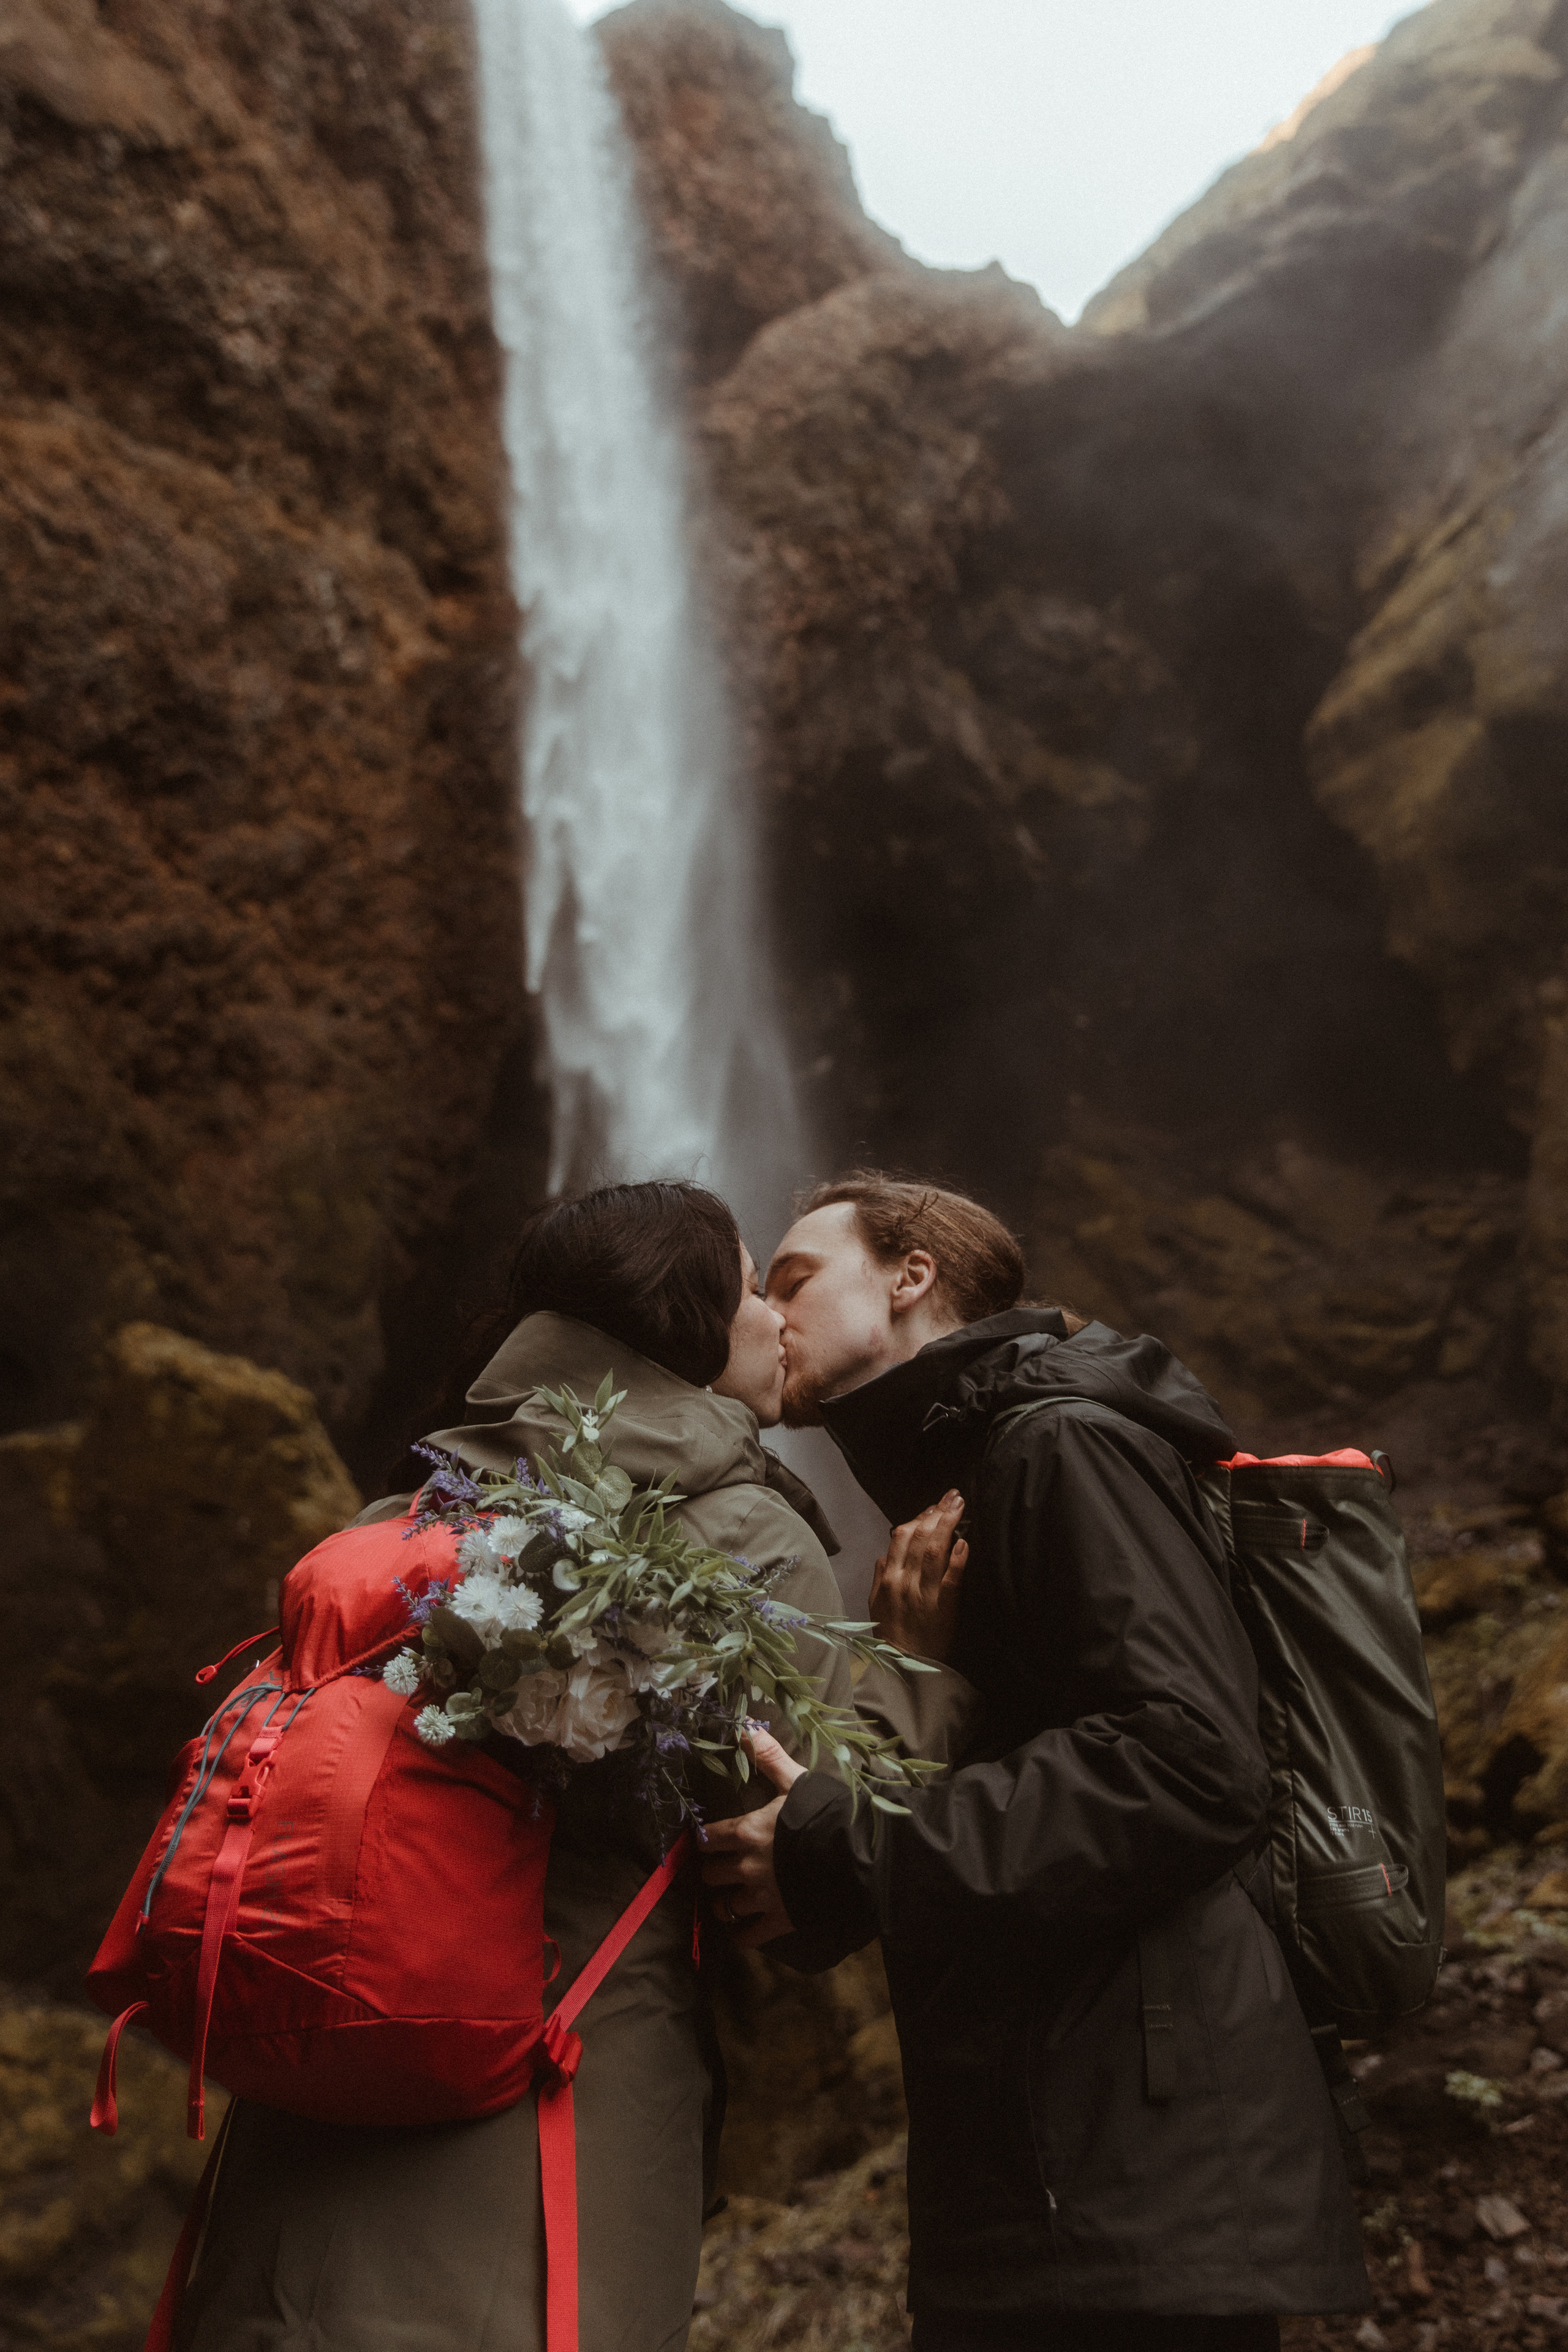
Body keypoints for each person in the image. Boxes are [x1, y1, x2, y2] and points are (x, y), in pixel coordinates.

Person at [175, 1180, 973, 2352]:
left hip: (302, 2138)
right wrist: (914, 1666)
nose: (778, 1321)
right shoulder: (743, 1533)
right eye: (755, 1288)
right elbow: (823, 1871)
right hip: (546, 2119)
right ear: (686, 1329)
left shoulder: (409, 1509)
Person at [701, 1171, 1370, 2352]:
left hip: (1134, 2163)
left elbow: (1192, 1763)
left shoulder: (1058, 1444)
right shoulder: (967, 1478)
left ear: (913, 1278)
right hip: (1070, 2147)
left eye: (794, 1279)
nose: (765, 1315)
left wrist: (845, 1842)